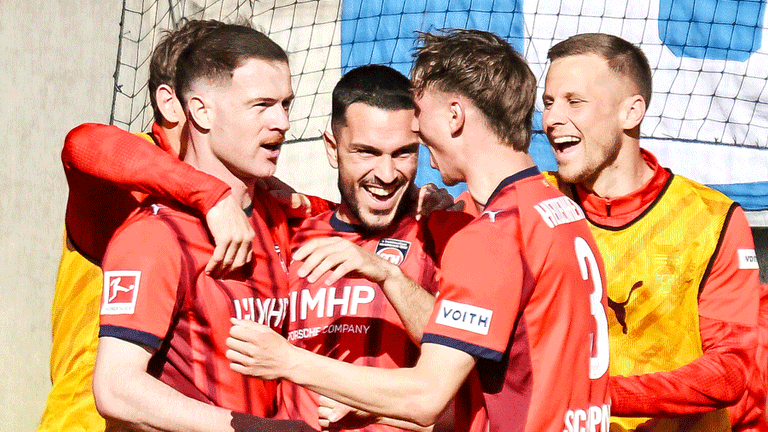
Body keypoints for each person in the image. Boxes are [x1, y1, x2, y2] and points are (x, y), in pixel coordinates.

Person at [227, 29, 611, 432]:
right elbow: (509, 385)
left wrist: (288, 360)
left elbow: (427, 397)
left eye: (420, 110)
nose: (416, 124)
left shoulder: (489, 236)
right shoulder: (560, 209)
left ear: (454, 116)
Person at [37, 19, 256, 432]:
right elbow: (81, 142)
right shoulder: (127, 173)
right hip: (88, 422)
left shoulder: (240, 192)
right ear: (172, 104)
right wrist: (209, 194)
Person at [92, 23, 313, 431]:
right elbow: (115, 388)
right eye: (262, 105)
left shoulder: (278, 213)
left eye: (286, 104)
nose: (282, 122)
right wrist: (253, 429)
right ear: (200, 111)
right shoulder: (156, 234)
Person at [540, 32, 763, 432]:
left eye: (574, 102)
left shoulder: (712, 219)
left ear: (631, 112)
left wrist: (599, 396)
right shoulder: (531, 202)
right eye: (548, 101)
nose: (551, 118)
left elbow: (730, 371)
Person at [274, 64, 471, 432]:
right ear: (332, 149)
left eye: (402, 153)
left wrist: (386, 274)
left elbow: (464, 370)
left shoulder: (443, 236)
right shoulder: (288, 234)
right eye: (366, 152)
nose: (386, 174)